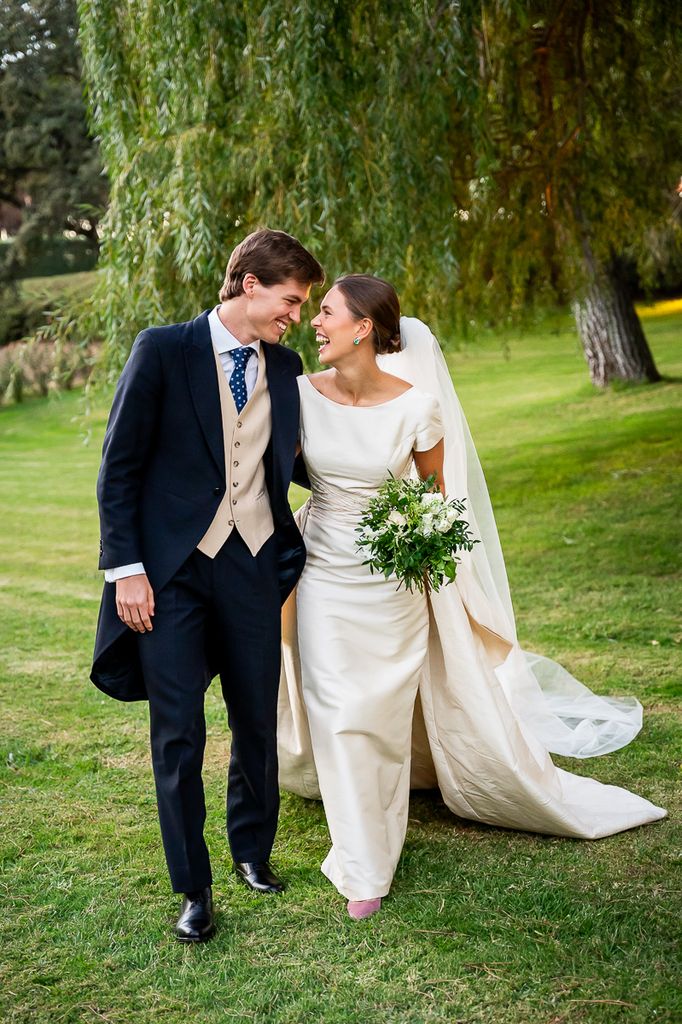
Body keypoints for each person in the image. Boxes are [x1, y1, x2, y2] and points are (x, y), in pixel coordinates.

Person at [277, 274, 666, 921]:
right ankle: (364, 863)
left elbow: (434, 497)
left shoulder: (415, 408)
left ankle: (379, 826)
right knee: (340, 713)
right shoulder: (298, 397)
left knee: (376, 714)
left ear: (363, 327)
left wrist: (420, 546)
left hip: (391, 584)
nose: (313, 323)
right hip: (320, 575)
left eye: (325, 312)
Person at [92, 228, 324, 942]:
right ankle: (194, 887)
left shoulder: (285, 369)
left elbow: (311, 462)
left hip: (254, 563)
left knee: (256, 718)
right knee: (179, 734)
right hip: (171, 575)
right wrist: (127, 571)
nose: (295, 317)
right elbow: (119, 467)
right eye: (289, 301)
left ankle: (253, 852)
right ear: (249, 283)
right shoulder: (163, 350)